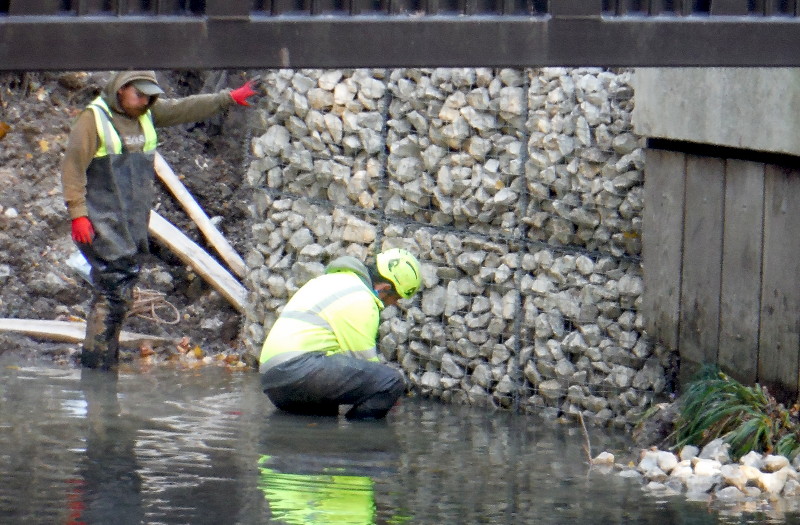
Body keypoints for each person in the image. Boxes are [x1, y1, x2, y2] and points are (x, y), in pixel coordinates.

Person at [61, 70, 260, 370]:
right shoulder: (94, 119)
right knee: (113, 288)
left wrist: (228, 98)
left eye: (149, 96)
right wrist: (78, 215)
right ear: (121, 89)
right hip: (102, 215)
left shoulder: (147, 112)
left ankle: (102, 364)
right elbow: (72, 168)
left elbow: (184, 108)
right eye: (139, 95)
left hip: (130, 217)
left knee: (121, 287)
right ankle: (97, 369)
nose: (144, 102)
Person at [259, 248, 422, 420]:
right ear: (384, 288)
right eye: (395, 299)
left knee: (327, 414)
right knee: (390, 382)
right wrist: (386, 395)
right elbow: (365, 363)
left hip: (272, 377)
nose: (394, 304)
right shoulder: (362, 299)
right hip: (299, 369)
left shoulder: (331, 280)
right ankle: (356, 442)